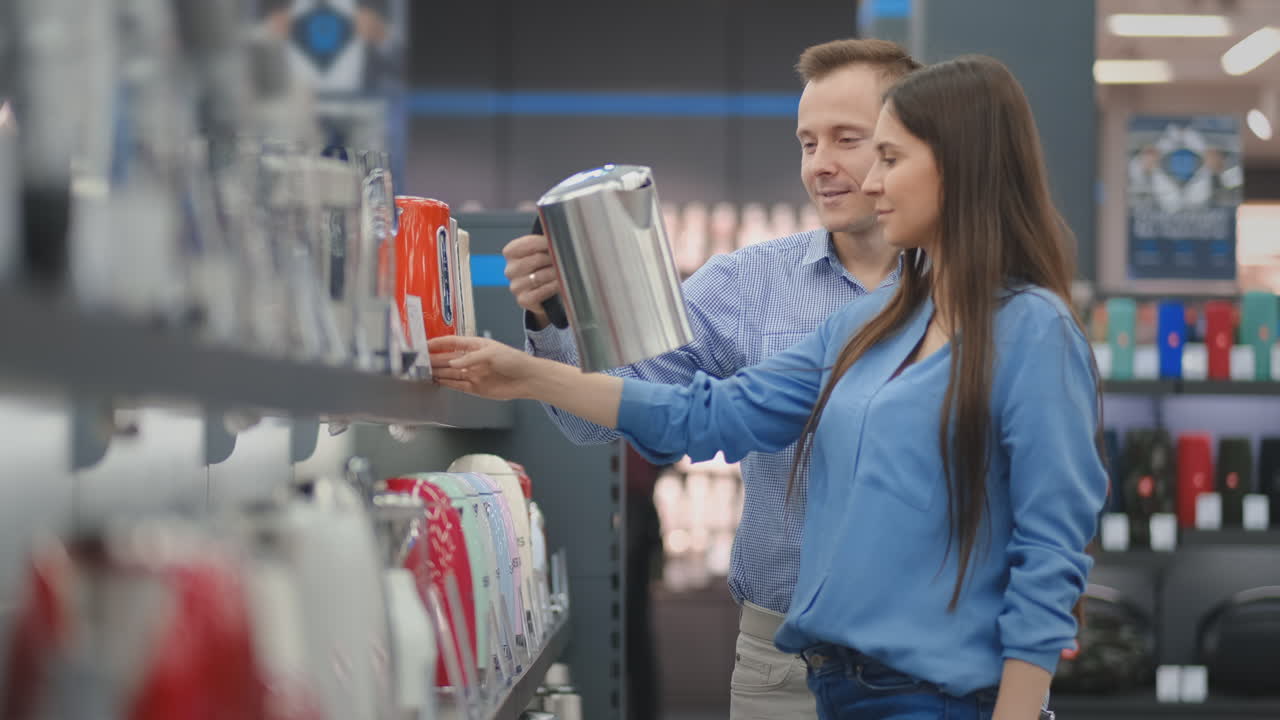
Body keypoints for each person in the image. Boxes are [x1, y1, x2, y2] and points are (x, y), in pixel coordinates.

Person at [431, 54, 1105, 720]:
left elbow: (1050, 551)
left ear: (955, 161)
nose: (838, 170)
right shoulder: (860, 319)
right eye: (808, 143)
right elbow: (707, 414)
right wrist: (535, 364)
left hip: (943, 686)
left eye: (872, 149)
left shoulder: (1028, 330)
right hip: (820, 674)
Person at [499, 38, 920, 719]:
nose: (821, 164)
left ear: (909, 143)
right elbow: (596, 417)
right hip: (785, 668)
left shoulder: (970, 291)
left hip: (934, 664)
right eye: (807, 143)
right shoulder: (748, 283)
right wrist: (550, 322)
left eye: (848, 139)